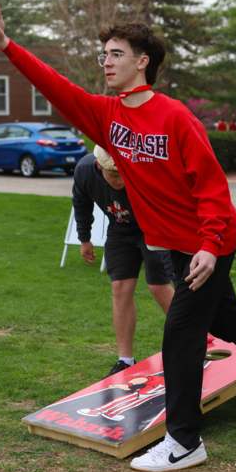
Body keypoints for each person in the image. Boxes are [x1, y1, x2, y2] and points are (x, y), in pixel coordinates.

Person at [0, 0, 236, 472]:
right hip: (174, 245)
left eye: (115, 54)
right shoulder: (108, 116)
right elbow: (56, 87)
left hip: (208, 241)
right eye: (104, 55)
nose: (106, 63)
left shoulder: (175, 117)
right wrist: (5, 43)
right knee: (226, 320)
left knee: (180, 334)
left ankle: (183, 441)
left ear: (142, 62)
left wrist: (211, 246)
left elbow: (212, 186)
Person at [73, 145, 174, 376]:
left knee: (158, 286)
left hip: (152, 228)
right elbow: (81, 203)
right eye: (114, 174)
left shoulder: (143, 172)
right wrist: (84, 239)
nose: (119, 180)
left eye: (123, 174)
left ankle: (198, 337)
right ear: (99, 167)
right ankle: (125, 360)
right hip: (119, 229)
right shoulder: (85, 171)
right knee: (120, 287)